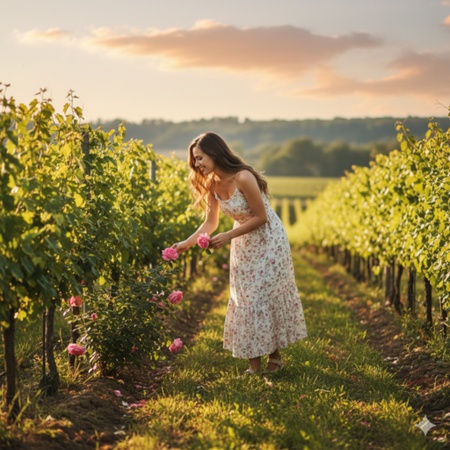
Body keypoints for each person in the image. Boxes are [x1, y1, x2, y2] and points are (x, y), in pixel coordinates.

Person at [171, 132, 307, 374]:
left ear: (215, 153)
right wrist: (186, 243)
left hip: (268, 239)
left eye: (200, 158)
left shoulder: (243, 177)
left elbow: (261, 217)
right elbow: (210, 224)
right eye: (195, 161)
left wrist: (227, 236)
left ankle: (270, 357)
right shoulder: (212, 184)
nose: (198, 164)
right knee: (246, 299)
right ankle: (255, 365)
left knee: (260, 295)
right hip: (243, 244)